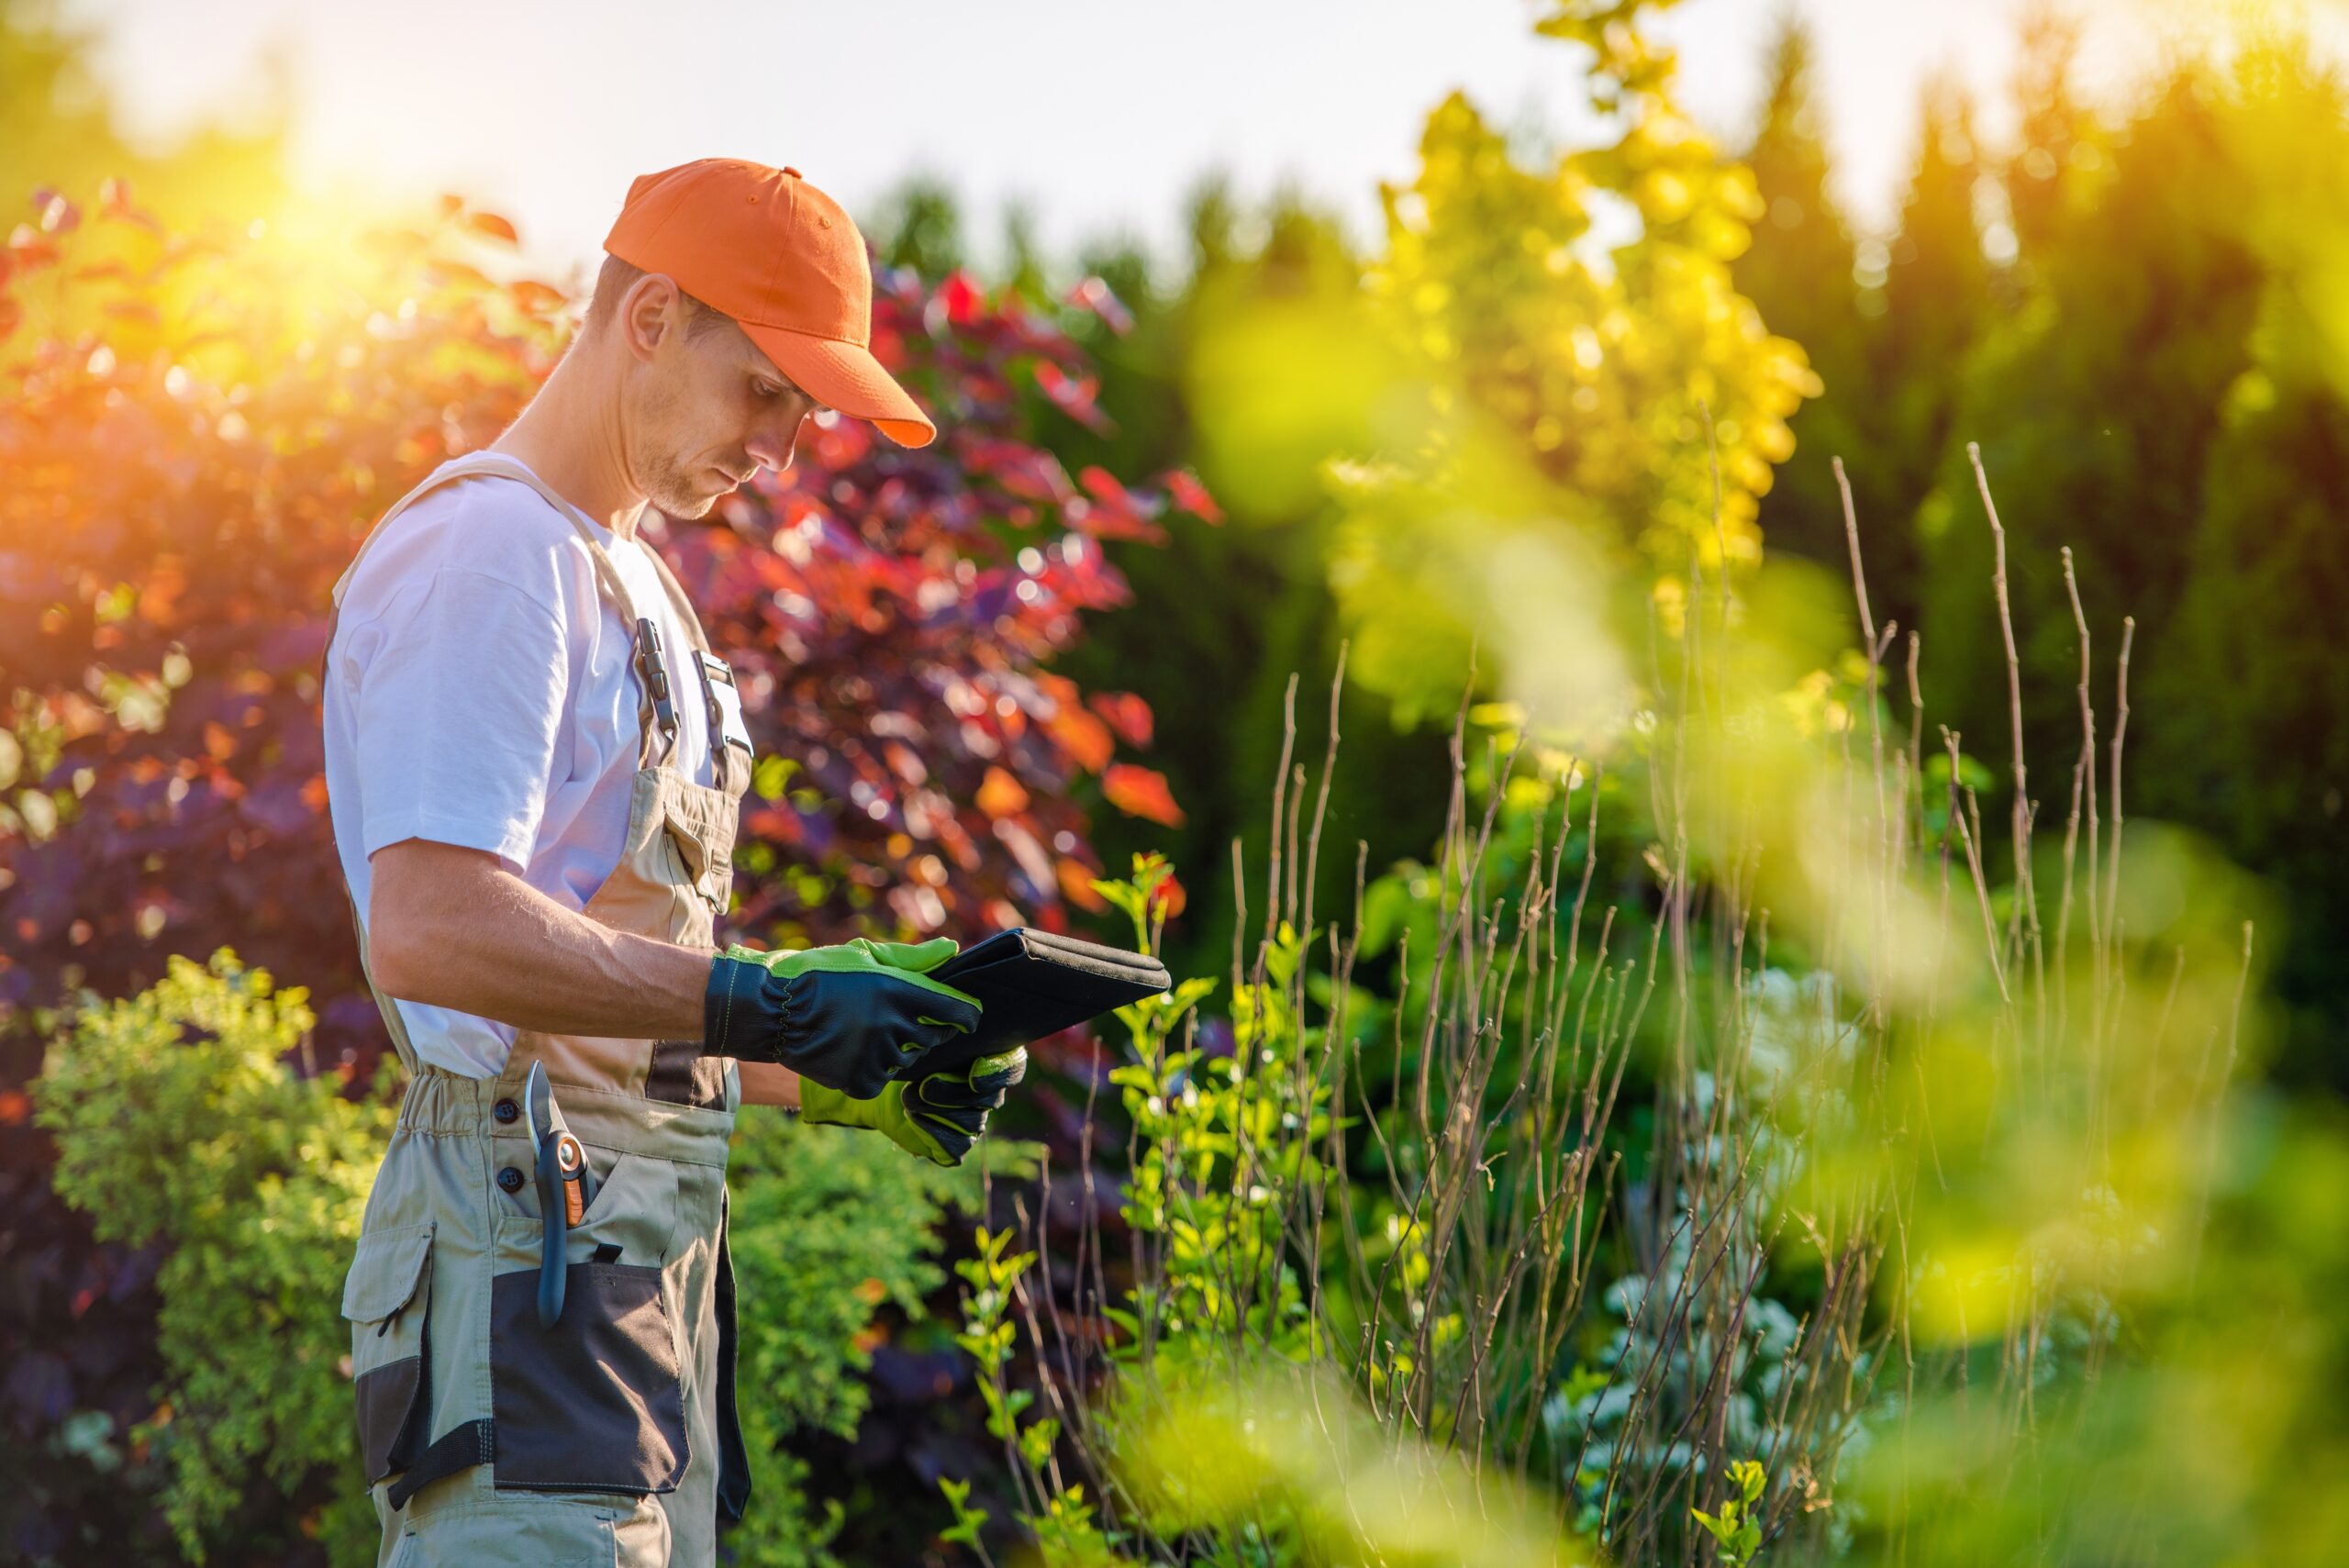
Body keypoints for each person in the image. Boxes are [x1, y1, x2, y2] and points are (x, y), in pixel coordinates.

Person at [319, 157, 1025, 1568]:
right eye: (764, 388)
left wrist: (834, 1057)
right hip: (524, 1277)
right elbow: (432, 925)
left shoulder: (632, 578)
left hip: (636, 1299)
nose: (780, 445)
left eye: (803, 411)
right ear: (649, 317)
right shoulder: (495, 552)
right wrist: (760, 999)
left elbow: (623, 997)